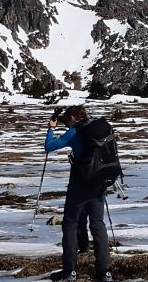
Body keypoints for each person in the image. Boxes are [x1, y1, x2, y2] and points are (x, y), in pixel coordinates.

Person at [45, 105, 112, 282]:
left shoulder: (74, 133)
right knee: (98, 224)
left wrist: (51, 129)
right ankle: (105, 272)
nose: (67, 123)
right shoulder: (99, 130)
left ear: (74, 117)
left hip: (80, 184)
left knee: (70, 224)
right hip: (99, 182)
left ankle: (69, 271)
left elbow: (49, 146)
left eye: (68, 119)